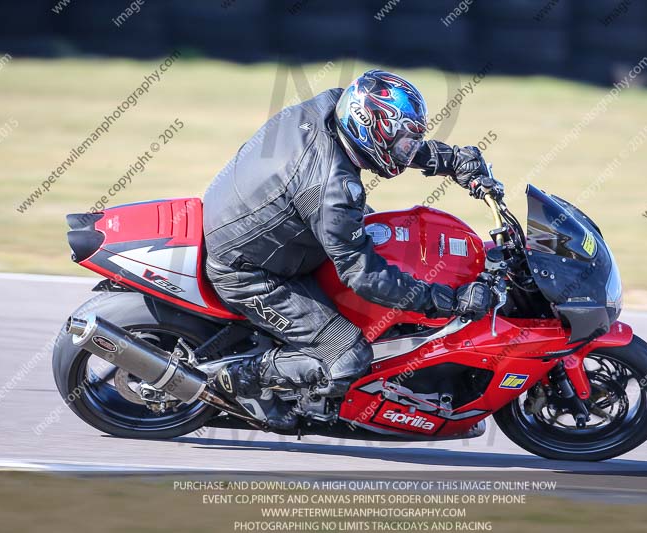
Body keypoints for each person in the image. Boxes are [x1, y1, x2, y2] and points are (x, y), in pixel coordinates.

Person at [203, 70, 494, 430]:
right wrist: (448, 299)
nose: (406, 149)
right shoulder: (332, 191)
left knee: (377, 234)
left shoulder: (333, 105)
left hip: (262, 225)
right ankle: (242, 379)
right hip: (248, 271)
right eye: (403, 140)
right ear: (367, 125)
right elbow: (365, 276)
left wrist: (447, 159)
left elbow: (383, 142)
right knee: (349, 358)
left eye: (410, 140)